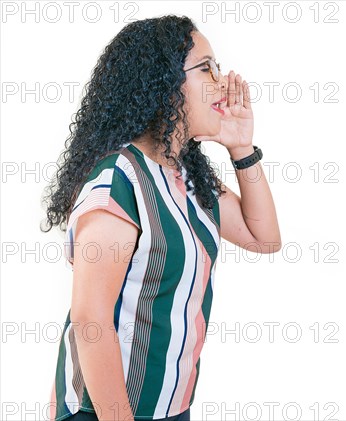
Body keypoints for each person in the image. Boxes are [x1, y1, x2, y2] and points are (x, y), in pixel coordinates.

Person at [40, 15, 281, 421]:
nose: (222, 82)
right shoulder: (119, 179)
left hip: (170, 407)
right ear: (166, 84)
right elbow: (90, 319)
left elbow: (265, 238)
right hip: (101, 412)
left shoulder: (189, 176)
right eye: (206, 68)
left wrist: (241, 147)